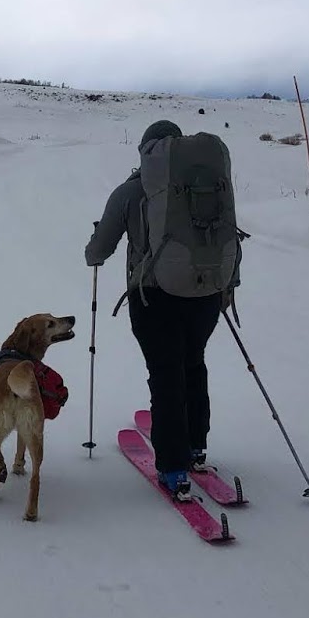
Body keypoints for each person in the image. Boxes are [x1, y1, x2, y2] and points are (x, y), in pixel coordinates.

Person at [85, 120, 241, 501]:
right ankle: (195, 447)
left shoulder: (129, 191)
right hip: (205, 294)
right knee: (193, 363)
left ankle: (173, 468)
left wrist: (95, 243)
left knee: (166, 374)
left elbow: (98, 250)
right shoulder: (200, 186)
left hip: (154, 297)